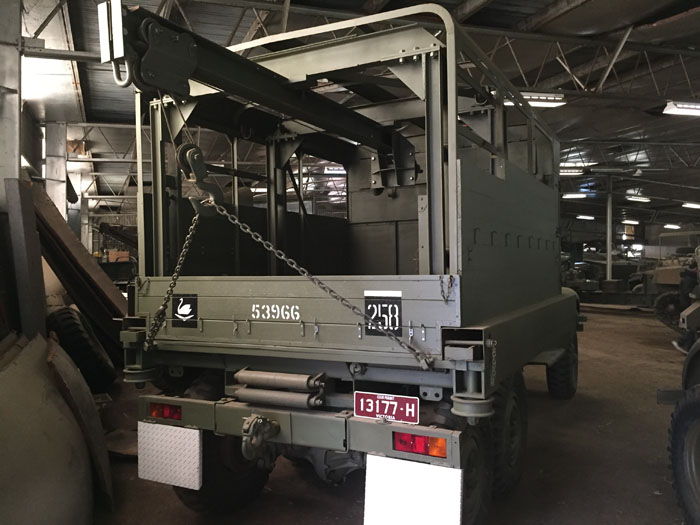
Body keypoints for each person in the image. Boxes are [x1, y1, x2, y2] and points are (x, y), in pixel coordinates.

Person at [672, 259, 698, 354]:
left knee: (692, 326)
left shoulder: (688, 277)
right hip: (689, 303)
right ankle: (684, 344)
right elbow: (688, 292)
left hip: (687, 303)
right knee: (693, 326)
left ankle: (684, 343)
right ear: (695, 268)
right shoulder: (690, 279)